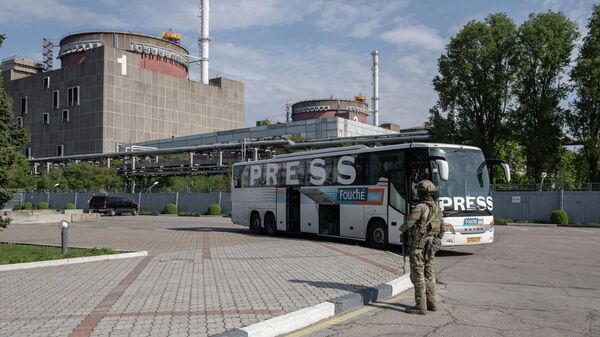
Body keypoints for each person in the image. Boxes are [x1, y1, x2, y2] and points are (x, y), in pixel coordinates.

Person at [401, 179, 444, 315]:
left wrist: (402, 228)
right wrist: (435, 240)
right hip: (431, 248)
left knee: (418, 275)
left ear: (420, 193)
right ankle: (432, 304)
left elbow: (407, 225)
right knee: (429, 275)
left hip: (419, 247)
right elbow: (442, 229)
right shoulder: (437, 209)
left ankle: (421, 306)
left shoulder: (420, 207)